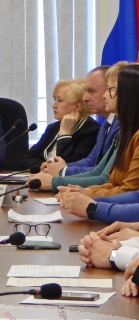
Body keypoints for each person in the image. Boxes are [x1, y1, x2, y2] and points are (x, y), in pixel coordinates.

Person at [29, 63, 127, 192]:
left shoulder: (104, 129)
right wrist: (55, 169)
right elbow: (92, 163)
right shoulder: (107, 124)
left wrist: (60, 175)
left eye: (92, 91)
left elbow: (103, 175)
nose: (85, 98)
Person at [60, 64, 139, 216]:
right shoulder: (123, 131)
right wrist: (85, 192)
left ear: (128, 95)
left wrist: (90, 202)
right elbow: (112, 181)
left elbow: (132, 192)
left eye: (110, 90)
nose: (105, 95)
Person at [20, 78, 99, 170]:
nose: (54, 105)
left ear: (77, 106)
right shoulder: (53, 127)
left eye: (60, 100)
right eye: (54, 99)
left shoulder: (91, 131)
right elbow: (25, 159)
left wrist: (65, 134)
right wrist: (43, 165)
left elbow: (68, 166)